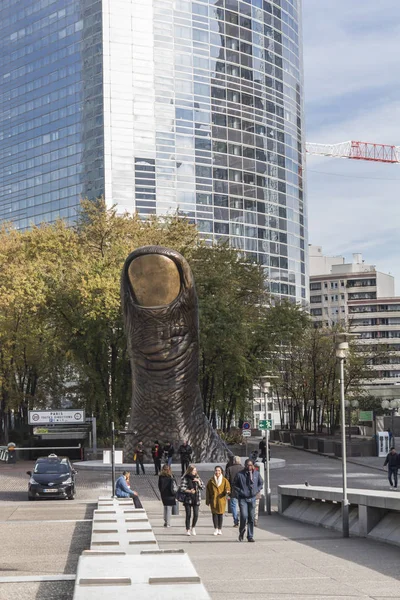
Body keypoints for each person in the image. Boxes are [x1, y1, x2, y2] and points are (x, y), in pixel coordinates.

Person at [234, 459, 263, 542]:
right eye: (247, 465)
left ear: (253, 465)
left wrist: (256, 490)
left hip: (252, 498)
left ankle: (250, 536)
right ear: (245, 465)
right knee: (244, 515)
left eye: (250, 465)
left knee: (251, 517)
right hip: (243, 498)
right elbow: (234, 485)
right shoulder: (240, 474)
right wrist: (241, 491)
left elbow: (261, 483)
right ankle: (242, 531)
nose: (249, 467)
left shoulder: (256, 474)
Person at [179, 464, 204, 536]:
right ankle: (187, 529)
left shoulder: (197, 477)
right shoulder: (185, 478)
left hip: (196, 498)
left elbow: (203, 487)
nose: (195, 472)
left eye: (195, 470)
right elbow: (182, 488)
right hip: (188, 498)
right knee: (188, 515)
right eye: (194, 470)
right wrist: (189, 491)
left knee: (196, 514)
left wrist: (198, 482)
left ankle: (193, 527)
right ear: (190, 471)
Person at [206, 466, 231, 535]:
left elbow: (228, 487)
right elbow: (208, 491)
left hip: (221, 500)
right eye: (216, 470)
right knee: (214, 514)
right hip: (213, 500)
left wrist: (227, 491)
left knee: (220, 514)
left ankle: (220, 529)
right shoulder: (211, 481)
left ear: (221, 471)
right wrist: (208, 500)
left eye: (219, 470)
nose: (217, 472)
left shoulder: (225, 480)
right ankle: (216, 528)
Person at [225, 456, 242, 527]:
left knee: (234, 506)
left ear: (234, 461)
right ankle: (243, 520)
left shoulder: (229, 469)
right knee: (242, 506)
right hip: (242, 490)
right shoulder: (243, 468)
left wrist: (227, 490)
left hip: (233, 490)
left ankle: (236, 521)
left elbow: (226, 480)